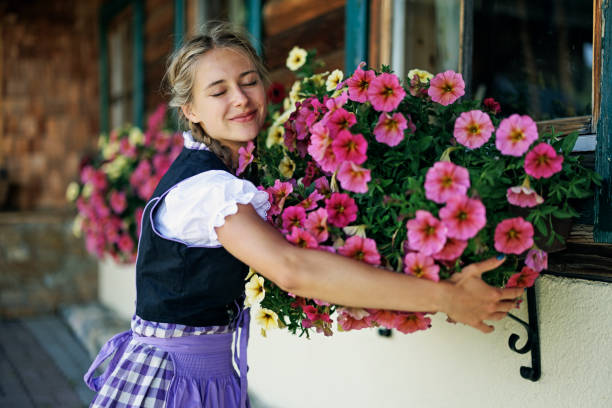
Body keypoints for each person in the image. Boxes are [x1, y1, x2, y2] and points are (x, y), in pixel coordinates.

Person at [84, 22, 524, 408]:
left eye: (249, 81)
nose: (240, 99)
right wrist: (446, 296)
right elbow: (291, 268)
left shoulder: (219, 172)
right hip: (177, 384)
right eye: (218, 91)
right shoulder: (207, 190)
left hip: (197, 376)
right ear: (191, 112)